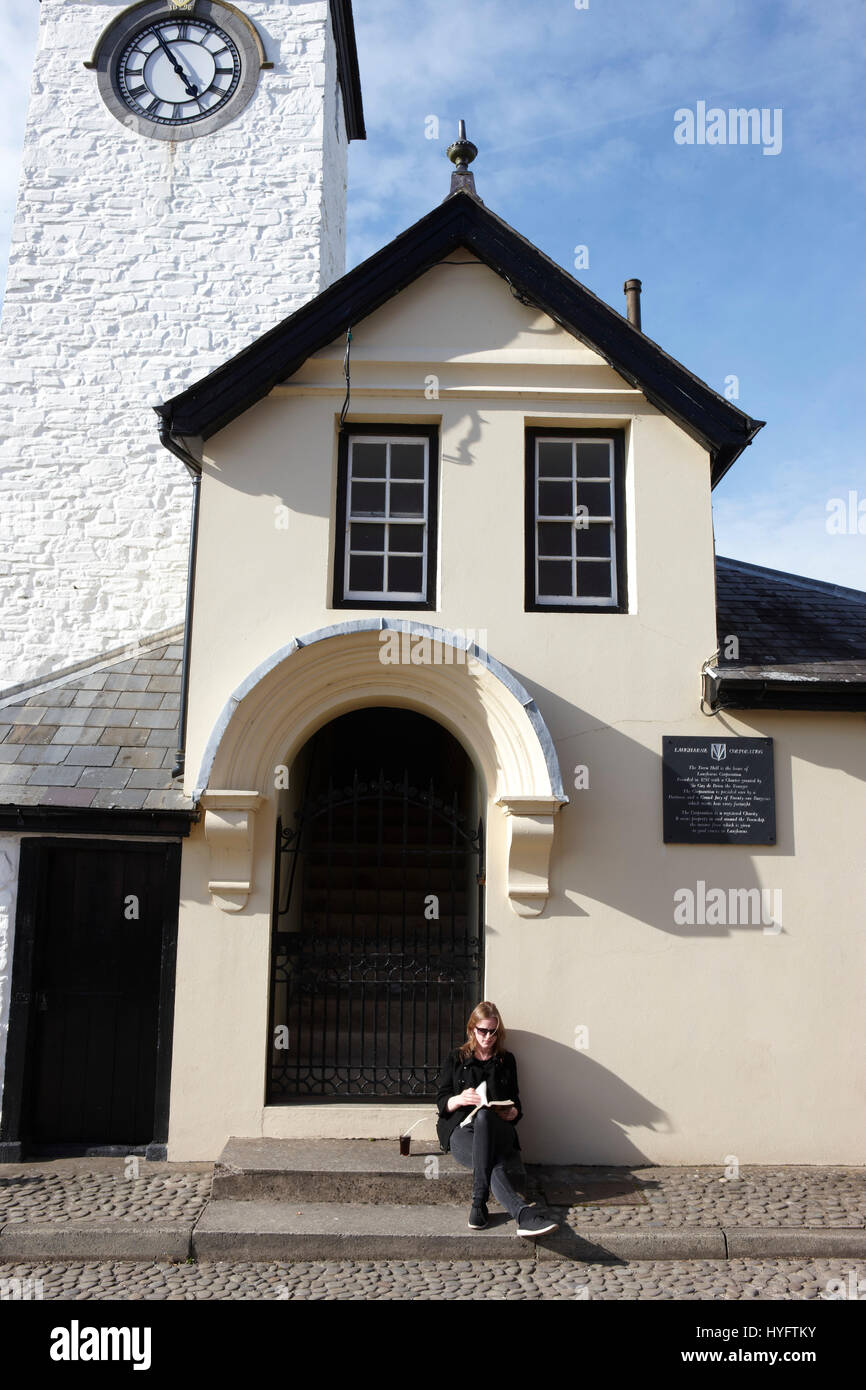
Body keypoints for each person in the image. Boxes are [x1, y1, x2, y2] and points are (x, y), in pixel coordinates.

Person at [436, 1001, 558, 1236]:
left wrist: (513, 1113)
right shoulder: (456, 1058)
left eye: (493, 1031)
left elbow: (516, 1103)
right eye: (483, 1031)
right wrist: (460, 1099)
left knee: (484, 1116)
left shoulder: (506, 1060)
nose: (488, 1037)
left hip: (498, 1129)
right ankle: (524, 1215)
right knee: (491, 1160)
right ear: (472, 1029)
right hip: (462, 1130)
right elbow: (442, 1102)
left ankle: (478, 1204)